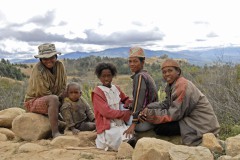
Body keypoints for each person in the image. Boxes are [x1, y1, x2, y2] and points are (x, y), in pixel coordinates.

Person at [139, 59, 220, 146]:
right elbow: (166, 104)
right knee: (158, 123)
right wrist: (148, 107)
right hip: (188, 116)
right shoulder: (172, 85)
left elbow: (174, 114)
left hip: (201, 123)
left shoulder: (182, 85)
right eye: (164, 72)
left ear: (178, 72)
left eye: (170, 71)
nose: (167, 74)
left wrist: (150, 114)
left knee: (161, 128)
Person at [24, 43, 67, 138]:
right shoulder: (38, 69)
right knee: (53, 99)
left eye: (51, 57)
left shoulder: (60, 66)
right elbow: (43, 93)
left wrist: (64, 96)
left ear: (56, 56)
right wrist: (59, 100)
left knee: (72, 90)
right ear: (41, 59)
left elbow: (64, 85)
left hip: (55, 98)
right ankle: (55, 132)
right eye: (45, 59)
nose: (48, 61)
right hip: (34, 101)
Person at [92, 62, 132, 151]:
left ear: (112, 76)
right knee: (117, 136)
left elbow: (124, 99)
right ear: (99, 77)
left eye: (109, 75)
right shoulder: (97, 92)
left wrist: (130, 103)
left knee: (129, 133)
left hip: (120, 122)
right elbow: (106, 112)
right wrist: (125, 113)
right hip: (108, 125)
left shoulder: (116, 88)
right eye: (103, 76)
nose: (106, 78)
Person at [123, 46, 159, 143]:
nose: (132, 64)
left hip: (143, 123)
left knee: (119, 108)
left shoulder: (139, 77)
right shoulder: (146, 75)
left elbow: (139, 100)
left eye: (135, 61)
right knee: (125, 107)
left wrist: (133, 124)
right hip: (151, 118)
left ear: (142, 62)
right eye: (130, 61)